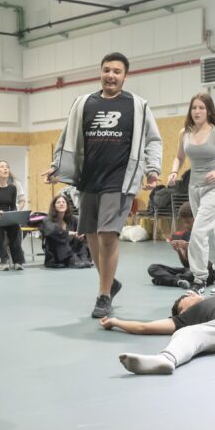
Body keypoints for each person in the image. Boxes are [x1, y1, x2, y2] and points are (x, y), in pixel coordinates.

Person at [41, 52, 162, 318]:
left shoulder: (137, 106)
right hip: (88, 180)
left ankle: (104, 294)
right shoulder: (84, 104)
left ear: (125, 76)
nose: (111, 75)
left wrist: (153, 169)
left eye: (117, 72)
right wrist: (56, 166)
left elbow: (153, 140)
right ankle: (110, 281)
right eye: (107, 70)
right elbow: (67, 138)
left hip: (120, 180)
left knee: (108, 235)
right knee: (91, 236)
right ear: (100, 72)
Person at [168, 92, 215, 295]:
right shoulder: (184, 133)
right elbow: (179, 157)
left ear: (209, 110)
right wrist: (174, 171)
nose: (197, 111)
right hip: (194, 189)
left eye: (201, 107)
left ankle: (199, 279)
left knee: (199, 232)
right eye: (194, 108)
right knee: (209, 233)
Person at [42, 193, 92, 268]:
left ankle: (83, 259)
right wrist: (68, 233)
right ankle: (71, 260)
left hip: (72, 250)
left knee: (84, 238)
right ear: (54, 206)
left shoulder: (74, 219)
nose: (61, 204)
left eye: (63, 202)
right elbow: (51, 232)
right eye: (58, 202)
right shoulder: (47, 220)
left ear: (67, 206)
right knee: (60, 238)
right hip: (56, 254)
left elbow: (83, 230)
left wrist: (81, 236)